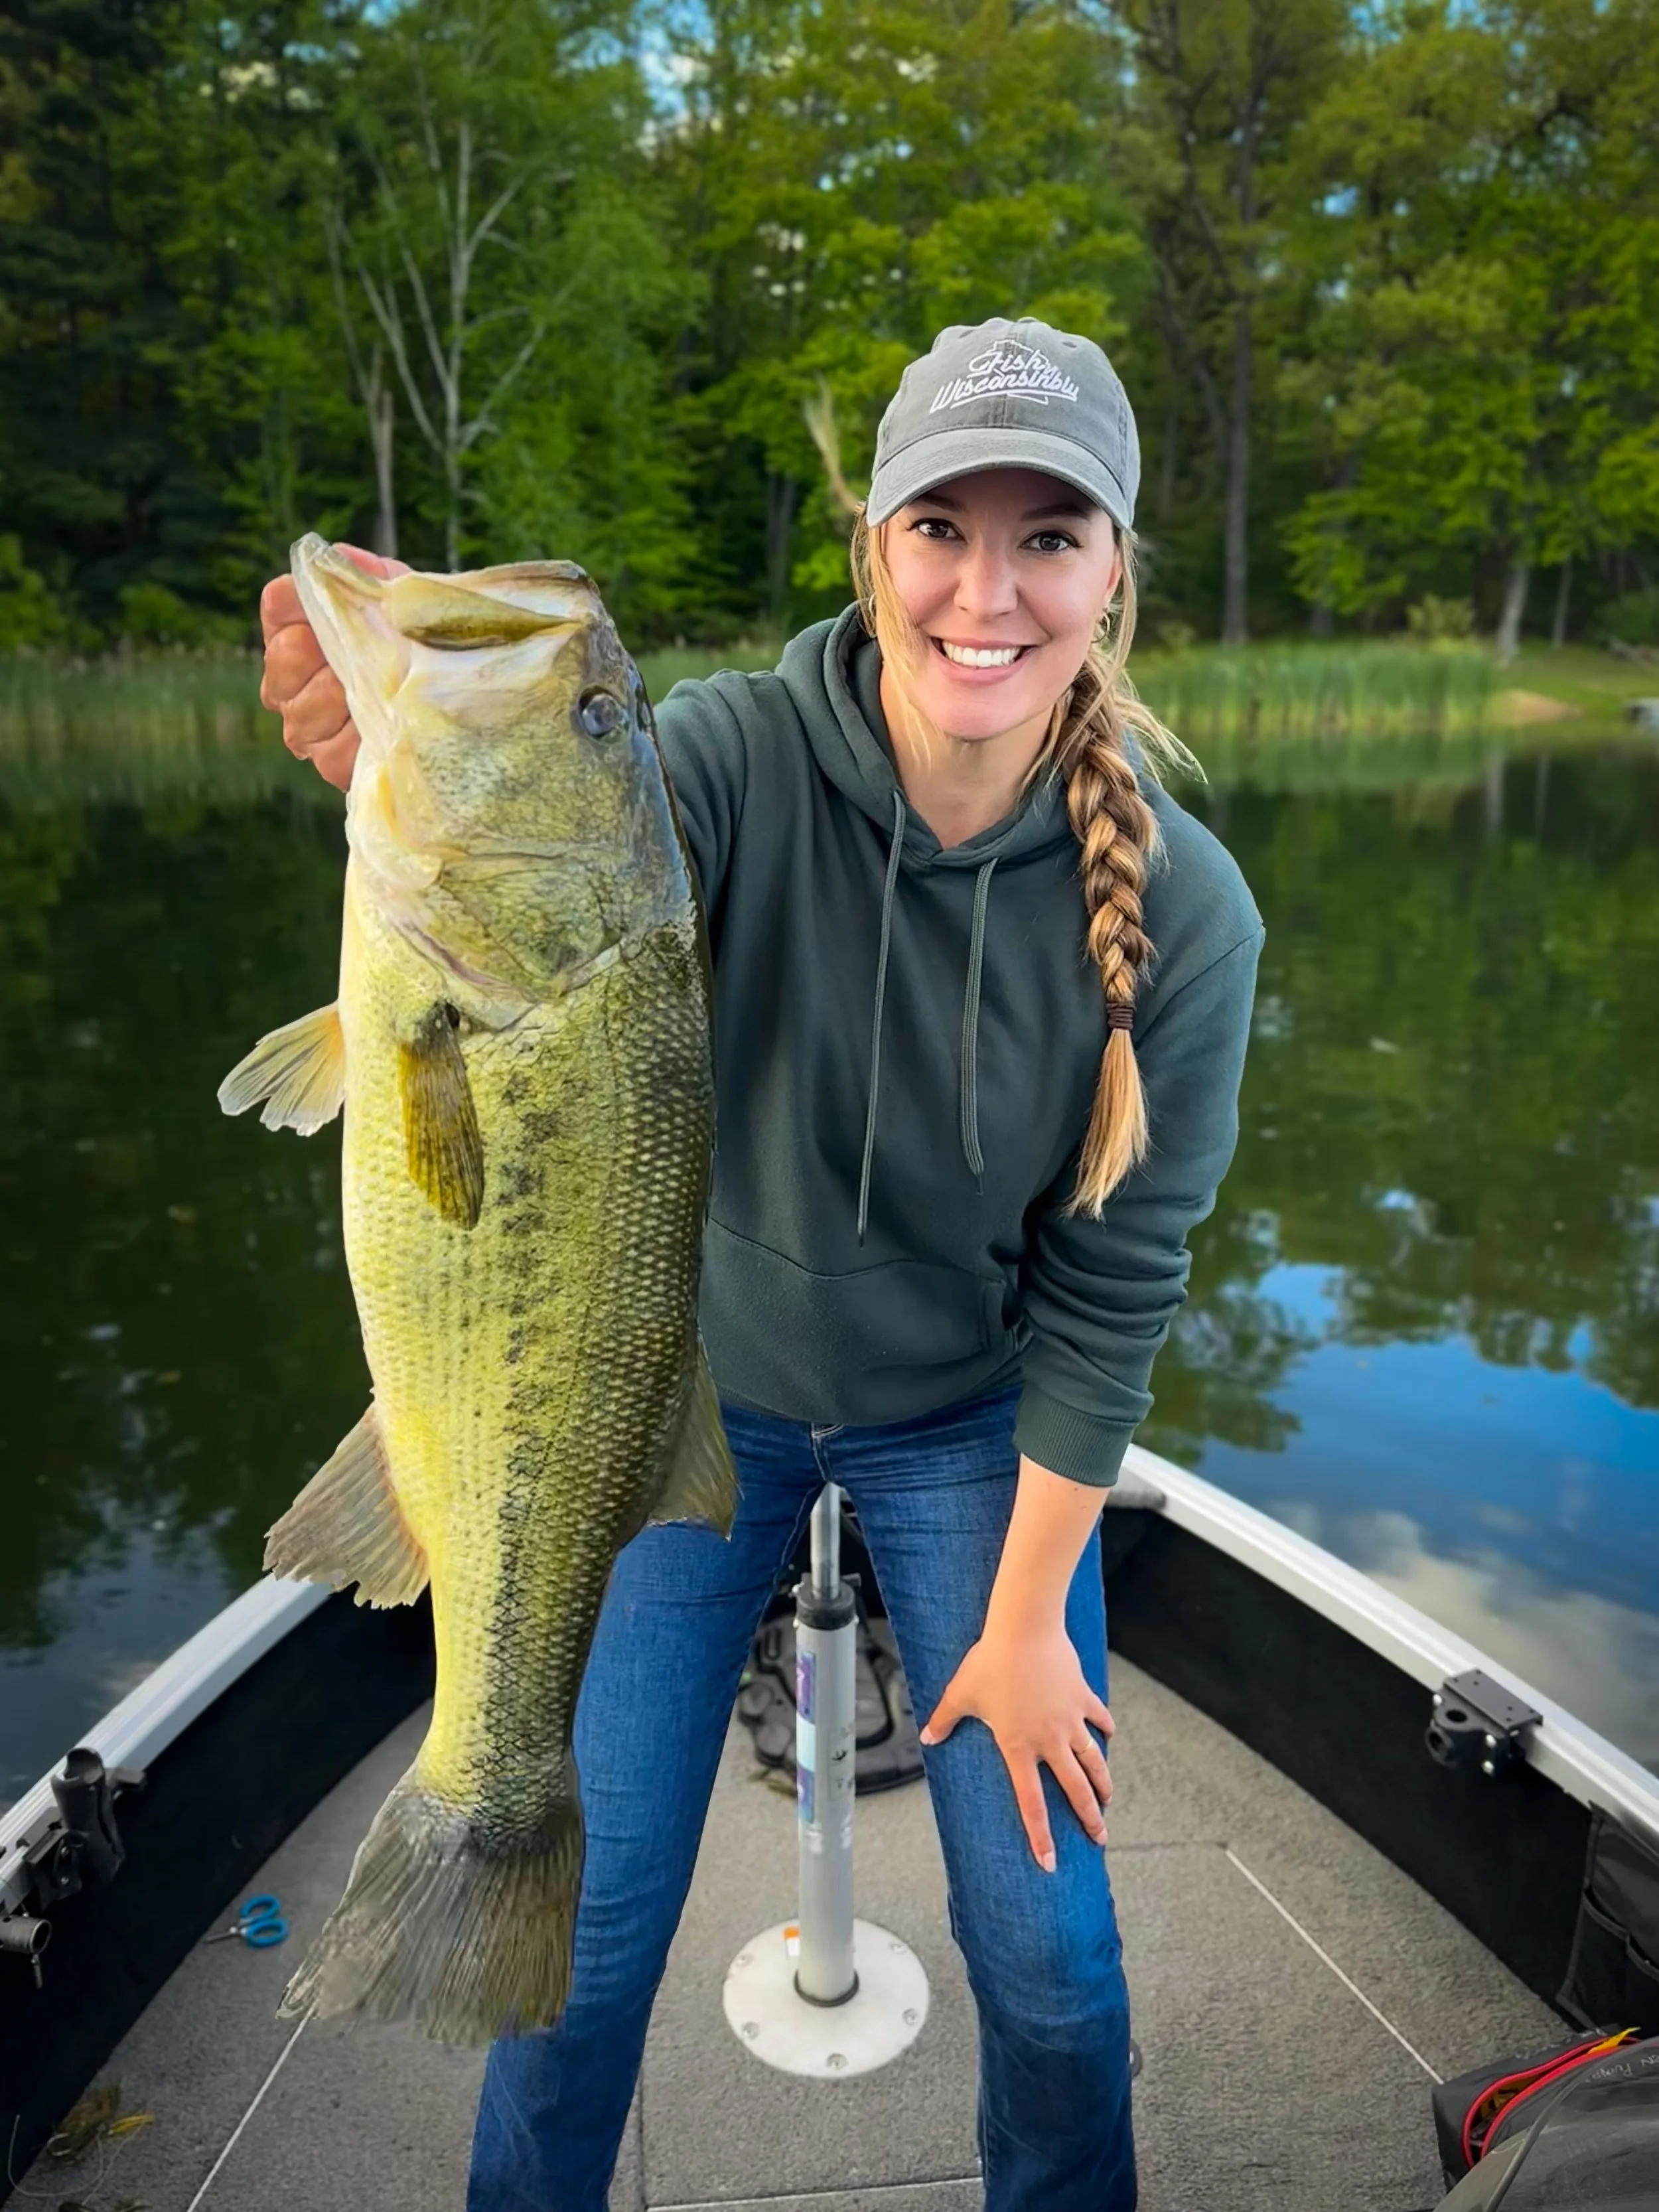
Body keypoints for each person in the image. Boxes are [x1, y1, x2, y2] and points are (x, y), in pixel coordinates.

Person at [259, 315, 1263, 2212]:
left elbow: (1113, 1298)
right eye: (939, 528)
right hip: (658, 1394)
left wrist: (1026, 1628)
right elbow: (553, 884)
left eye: (1048, 537)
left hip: (972, 1432)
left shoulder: (1190, 912)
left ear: (1115, 573)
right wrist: (389, 738)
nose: (987, 592)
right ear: (871, 547)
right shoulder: (720, 757)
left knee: (1055, 1964)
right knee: (584, 1945)